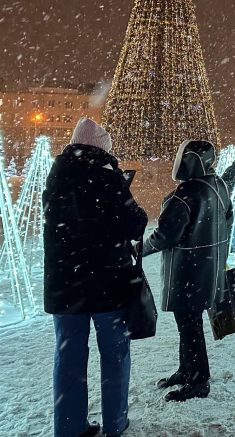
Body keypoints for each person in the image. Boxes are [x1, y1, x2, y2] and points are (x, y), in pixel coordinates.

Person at [44, 118, 147, 437]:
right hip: (109, 285)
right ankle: (115, 423)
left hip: (65, 286)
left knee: (69, 356)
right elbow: (137, 225)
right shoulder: (109, 176)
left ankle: (69, 427)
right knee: (114, 354)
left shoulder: (56, 174)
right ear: (102, 146)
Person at [142, 140, 233, 402]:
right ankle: (187, 370)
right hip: (208, 267)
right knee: (190, 324)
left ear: (191, 160)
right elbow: (229, 218)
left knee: (189, 325)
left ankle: (198, 380)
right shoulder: (219, 185)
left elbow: (165, 236)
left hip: (188, 271)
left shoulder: (186, 194)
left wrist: (140, 249)